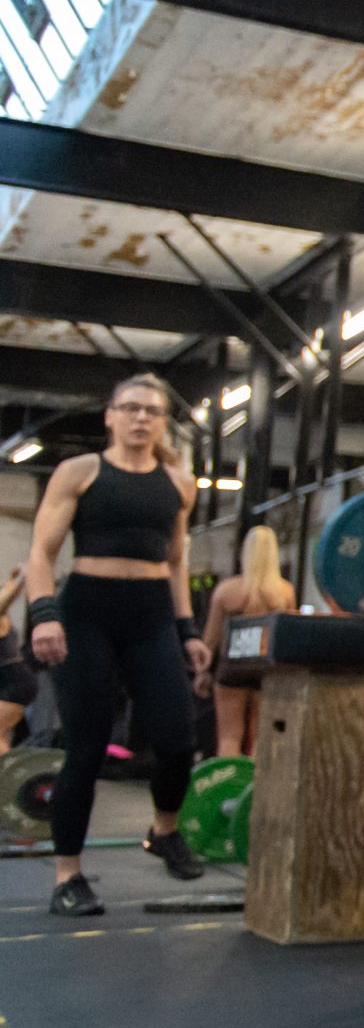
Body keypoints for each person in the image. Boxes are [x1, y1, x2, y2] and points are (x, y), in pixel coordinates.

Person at [22, 373, 213, 913]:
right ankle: (67, 877)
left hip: (152, 615)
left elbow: (176, 562)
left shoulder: (179, 484)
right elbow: (41, 553)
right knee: (85, 747)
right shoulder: (79, 473)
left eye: (151, 411)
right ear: (110, 415)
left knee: (177, 741)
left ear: (161, 422)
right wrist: (43, 614)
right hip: (87, 613)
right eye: (129, 408)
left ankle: (163, 830)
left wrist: (188, 631)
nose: (140, 418)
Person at [194, 526, 299, 756]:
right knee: (262, 736)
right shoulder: (285, 592)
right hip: (266, 669)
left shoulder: (226, 591)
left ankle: (228, 786)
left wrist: (202, 673)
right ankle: (256, 789)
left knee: (229, 737)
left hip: (232, 667)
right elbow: (289, 635)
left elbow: (210, 639)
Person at [0, 566, 37, 751]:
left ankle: (3, 779)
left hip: (15, 683)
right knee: (2, 734)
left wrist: (22, 579)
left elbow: (5, 599)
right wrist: (15, 579)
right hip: (11, 682)